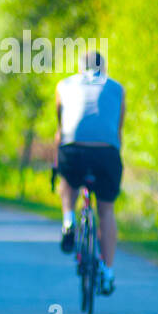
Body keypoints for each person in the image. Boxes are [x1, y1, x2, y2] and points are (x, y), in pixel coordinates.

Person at [54, 49, 124, 294]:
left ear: (80, 67)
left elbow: (61, 127)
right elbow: (117, 131)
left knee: (68, 177)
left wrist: (58, 159)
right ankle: (107, 272)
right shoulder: (117, 88)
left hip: (74, 149)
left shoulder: (64, 85)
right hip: (106, 153)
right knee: (106, 210)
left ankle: (68, 220)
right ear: (103, 67)